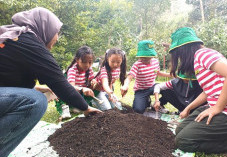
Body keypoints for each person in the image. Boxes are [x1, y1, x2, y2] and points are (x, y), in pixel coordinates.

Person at [0, 7, 101, 157]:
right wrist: (85, 108)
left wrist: (41, 87)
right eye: (57, 31)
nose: (57, 37)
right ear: (45, 27)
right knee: (36, 101)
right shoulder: (28, 42)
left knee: (35, 95)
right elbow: (59, 82)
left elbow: (9, 79)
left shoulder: (16, 38)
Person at [167, 27, 227, 153]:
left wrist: (218, 107)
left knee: (183, 141)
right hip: (216, 106)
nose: (179, 59)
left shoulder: (203, 54)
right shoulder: (198, 61)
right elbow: (207, 91)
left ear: (183, 50)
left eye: (178, 55)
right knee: (179, 131)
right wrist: (188, 108)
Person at [121, 40, 171, 114]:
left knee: (169, 90)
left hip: (153, 86)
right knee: (138, 110)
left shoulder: (155, 62)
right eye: (143, 57)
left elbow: (157, 73)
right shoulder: (137, 65)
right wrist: (125, 85)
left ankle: (159, 104)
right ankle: (146, 100)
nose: (145, 60)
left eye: (148, 57)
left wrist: (170, 75)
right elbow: (129, 77)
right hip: (141, 90)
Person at [55, 45, 99, 119]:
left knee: (98, 87)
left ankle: (79, 106)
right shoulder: (72, 70)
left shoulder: (89, 69)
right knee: (63, 92)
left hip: (80, 94)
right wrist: (82, 89)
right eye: (84, 62)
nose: (87, 65)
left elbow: (92, 79)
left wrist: (93, 81)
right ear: (77, 60)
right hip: (70, 93)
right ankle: (65, 108)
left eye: (90, 62)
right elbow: (71, 87)